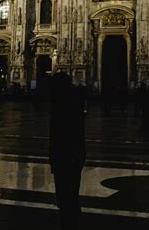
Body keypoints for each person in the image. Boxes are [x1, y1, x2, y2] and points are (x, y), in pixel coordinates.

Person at [49, 72, 86, 230]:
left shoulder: (62, 103)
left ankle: (69, 223)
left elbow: (59, 132)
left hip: (65, 156)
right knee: (71, 196)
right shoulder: (74, 101)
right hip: (74, 155)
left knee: (66, 197)